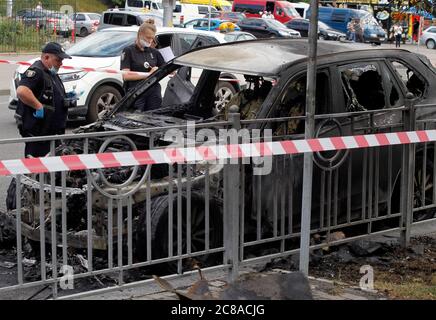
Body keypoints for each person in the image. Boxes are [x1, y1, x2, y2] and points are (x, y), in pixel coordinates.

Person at [15, 42, 74, 158]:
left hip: (51, 134)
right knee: (36, 170)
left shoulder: (50, 73)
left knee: (50, 171)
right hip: (40, 135)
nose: (61, 63)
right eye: (58, 60)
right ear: (46, 57)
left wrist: (66, 98)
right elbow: (22, 91)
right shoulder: (37, 72)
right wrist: (38, 106)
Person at [121, 19, 165, 112]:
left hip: (153, 92)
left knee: (154, 118)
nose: (150, 40)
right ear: (140, 34)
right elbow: (126, 76)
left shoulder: (154, 52)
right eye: (147, 37)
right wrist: (149, 75)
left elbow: (168, 70)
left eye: (152, 38)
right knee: (135, 119)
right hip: (136, 92)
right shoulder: (128, 50)